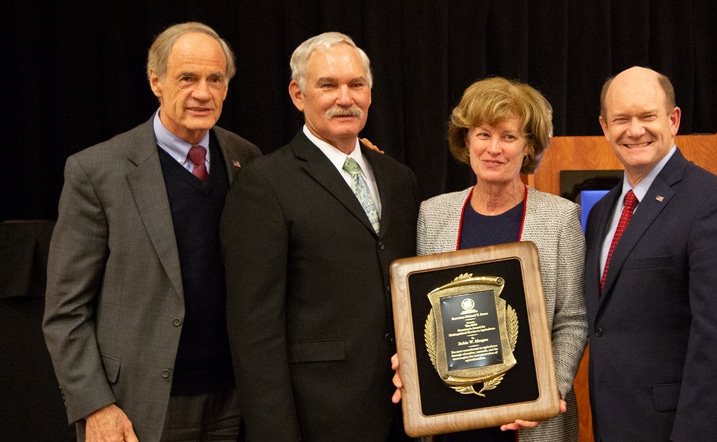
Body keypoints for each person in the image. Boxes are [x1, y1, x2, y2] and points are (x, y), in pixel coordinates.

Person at [42, 22, 261, 441]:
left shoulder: (245, 158)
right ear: (156, 81)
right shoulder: (97, 171)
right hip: (140, 406)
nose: (203, 92)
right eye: (187, 78)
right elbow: (65, 310)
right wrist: (95, 405)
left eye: (215, 79)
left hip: (233, 400)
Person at [220, 32, 419, 441]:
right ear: (298, 94)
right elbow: (255, 331)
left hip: (403, 415)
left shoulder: (399, 179)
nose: (344, 97)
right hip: (318, 418)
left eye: (356, 85)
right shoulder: (264, 184)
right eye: (328, 85)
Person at [393, 77, 587, 441]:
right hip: (449, 419)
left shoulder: (561, 218)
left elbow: (573, 321)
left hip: (528, 424)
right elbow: (419, 314)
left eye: (509, 136)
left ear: (529, 146)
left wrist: (548, 392)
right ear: (466, 140)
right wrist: (410, 357)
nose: (493, 148)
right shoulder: (433, 214)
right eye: (483, 134)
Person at [583, 66, 717, 440]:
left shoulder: (716, 205)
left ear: (673, 119)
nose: (635, 130)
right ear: (604, 127)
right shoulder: (602, 213)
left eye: (647, 116)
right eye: (621, 119)